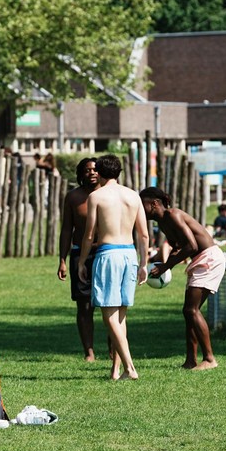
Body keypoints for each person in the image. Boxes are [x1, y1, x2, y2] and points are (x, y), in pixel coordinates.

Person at [77, 154, 148, 381]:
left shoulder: (96, 196)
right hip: (129, 254)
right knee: (120, 318)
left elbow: (89, 235)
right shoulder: (133, 196)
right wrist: (144, 263)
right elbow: (144, 234)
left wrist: (81, 261)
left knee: (109, 315)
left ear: (100, 172)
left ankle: (129, 367)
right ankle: (116, 370)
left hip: (108, 254)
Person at [140, 187, 226, 370]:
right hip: (200, 259)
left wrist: (166, 266)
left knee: (191, 310)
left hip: (209, 258)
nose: (141, 209)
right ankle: (190, 361)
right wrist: (166, 261)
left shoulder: (173, 215)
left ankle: (210, 359)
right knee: (189, 312)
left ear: (155, 203)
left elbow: (192, 245)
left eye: (143, 204)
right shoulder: (162, 223)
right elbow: (180, 247)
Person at [57, 158, 100, 361]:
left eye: (95, 169)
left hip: (105, 253)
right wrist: (62, 259)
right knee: (84, 305)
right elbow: (67, 229)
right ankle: (89, 351)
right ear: (81, 174)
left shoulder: (108, 195)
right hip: (79, 254)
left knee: (111, 304)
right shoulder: (73, 197)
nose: (91, 172)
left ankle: (113, 350)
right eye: (87, 170)